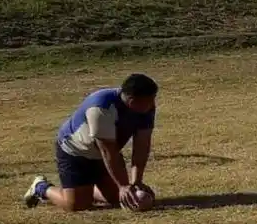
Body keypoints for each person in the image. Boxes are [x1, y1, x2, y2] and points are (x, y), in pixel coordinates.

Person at [23, 73, 159, 212]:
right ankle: (41, 187)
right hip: (75, 151)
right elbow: (108, 151)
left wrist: (136, 182)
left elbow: (142, 146)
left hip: (101, 156)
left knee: (117, 198)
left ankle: (85, 190)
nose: (153, 104)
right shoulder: (101, 107)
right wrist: (123, 185)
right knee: (77, 205)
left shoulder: (145, 109)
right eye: (150, 100)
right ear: (132, 101)